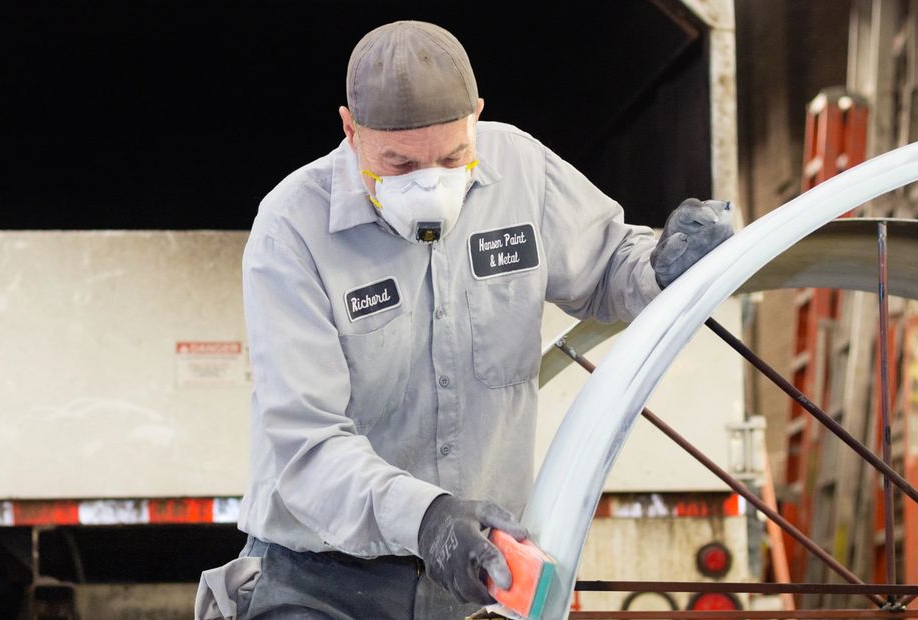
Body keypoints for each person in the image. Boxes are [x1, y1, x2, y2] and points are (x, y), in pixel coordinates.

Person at [195, 19, 733, 620]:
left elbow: (609, 264)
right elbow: (307, 447)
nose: (430, 184)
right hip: (321, 584)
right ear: (349, 129)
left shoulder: (521, 170)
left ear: (477, 114)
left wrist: (661, 265)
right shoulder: (292, 230)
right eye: (398, 165)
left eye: (453, 156)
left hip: (472, 590)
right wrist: (428, 519)